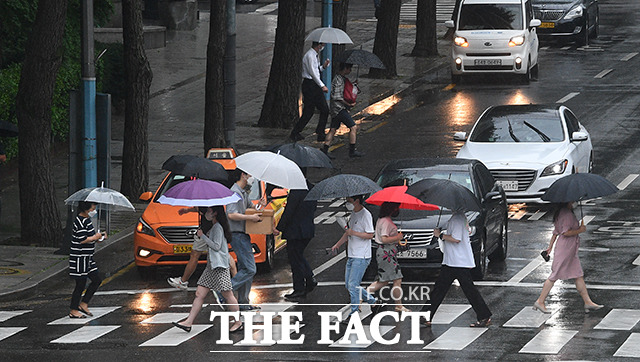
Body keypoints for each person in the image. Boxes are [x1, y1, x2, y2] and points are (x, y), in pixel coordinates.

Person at [172, 206, 243, 333]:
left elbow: (216, 246)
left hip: (219, 267)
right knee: (199, 294)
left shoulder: (217, 228)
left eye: (209, 211)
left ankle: (238, 322)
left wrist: (202, 236)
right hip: (212, 267)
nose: (206, 213)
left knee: (228, 294)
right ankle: (189, 322)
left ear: (215, 213)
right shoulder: (214, 226)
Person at [422, 210, 492, 327]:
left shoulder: (457, 219)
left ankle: (484, 315)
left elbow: (456, 238)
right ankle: (425, 316)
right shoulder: (459, 217)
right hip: (452, 260)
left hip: (457, 262)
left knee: (466, 290)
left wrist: (440, 235)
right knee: (440, 289)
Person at [533, 202, 603, 314]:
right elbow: (565, 232)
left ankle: (587, 301)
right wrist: (580, 230)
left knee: (578, 274)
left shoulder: (560, 212)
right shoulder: (567, 214)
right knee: (554, 275)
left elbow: (556, 232)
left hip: (569, 248)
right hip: (566, 248)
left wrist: (550, 247)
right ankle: (540, 301)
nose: (574, 202)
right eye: (573, 200)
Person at [167, 207, 237, 291]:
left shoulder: (207, 204)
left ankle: (183, 281)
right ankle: (236, 280)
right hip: (210, 230)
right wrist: (188, 210)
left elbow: (201, 209)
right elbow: (199, 209)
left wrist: (202, 235)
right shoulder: (212, 200)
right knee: (224, 254)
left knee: (195, 254)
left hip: (206, 230)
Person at [331, 195, 378, 317]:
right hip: (352, 254)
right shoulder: (353, 214)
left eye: (349, 201)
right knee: (349, 285)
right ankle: (373, 301)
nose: (347, 203)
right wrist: (337, 245)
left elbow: (370, 235)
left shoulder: (365, 215)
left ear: (357, 201)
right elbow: (348, 233)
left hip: (361, 256)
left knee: (353, 286)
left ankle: (354, 312)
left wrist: (353, 232)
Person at [226, 169, 265, 311]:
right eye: (250, 175)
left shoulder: (243, 192)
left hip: (243, 234)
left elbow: (251, 207)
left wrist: (259, 205)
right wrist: (250, 218)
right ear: (243, 175)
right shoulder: (234, 192)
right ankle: (224, 292)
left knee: (244, 268)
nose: (252, 178)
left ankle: (243, 302)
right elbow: (231, 214)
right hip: (237, 234)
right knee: (250, 269)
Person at [274, 176, 318, 301]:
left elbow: (289, 211)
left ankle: (299, 289)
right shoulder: (311, 188)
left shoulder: (296, 190)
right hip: (307, 229)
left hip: (295, 231)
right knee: (298, 256)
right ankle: (309, 279)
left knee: (295, 259)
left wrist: (279, 227)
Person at [366, 202, 410, 313]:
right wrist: (398, 237)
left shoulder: (382, 220)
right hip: (386, 254)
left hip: (386, 253)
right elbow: (384, 239)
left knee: (386, 280)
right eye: (396, 207)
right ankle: (398, 305)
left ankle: (365, 294)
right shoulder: (386, 222)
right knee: (395, 279)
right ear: (392, 209)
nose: (397, 210)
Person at [69, 201, 106, 318]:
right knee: (80, 283)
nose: (94, 209)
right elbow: (82, 239)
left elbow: (90, 237)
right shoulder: (79, 221)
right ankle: (73, 309)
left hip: (88, 257)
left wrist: (100, 237)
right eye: (92, 206)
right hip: (79, 258)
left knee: (97, 279)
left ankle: (84, 303)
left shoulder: (87, 220)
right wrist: (95, 237)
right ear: (86, 208)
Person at [290, 41, 331, 142]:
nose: (323, 47)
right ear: (319, 45)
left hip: (312, 85)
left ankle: (297, 132)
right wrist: (322, 85)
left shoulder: (314, 55)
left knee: (310, 110)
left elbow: (315, 70)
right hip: (311, 85)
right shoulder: (310, 56)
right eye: (323, 45)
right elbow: (312, 73)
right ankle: (318, 132)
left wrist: (323, 67)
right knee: (321, 109)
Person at [322, 62, 364, 158]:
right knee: (353, 127)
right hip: (339, 109)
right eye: (349, 69)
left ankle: (325, 149)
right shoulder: (338, 80)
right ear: (345, 68)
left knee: (333, 129)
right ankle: (352, 151)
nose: (350, 71)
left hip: (335, 110)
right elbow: (336, 96)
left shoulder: (341, 79)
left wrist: (354, 85)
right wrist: (348, 104)